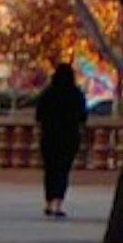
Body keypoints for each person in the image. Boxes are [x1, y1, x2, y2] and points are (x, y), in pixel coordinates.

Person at [32, 61, 88, 219]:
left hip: (49, 137)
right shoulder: (76, 94)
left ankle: (49, 202)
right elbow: (83, 117)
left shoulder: (48, 94)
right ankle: (58, 202)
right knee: (63, 171)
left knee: (50, 170)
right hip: (69, 137)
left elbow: (38, 116)